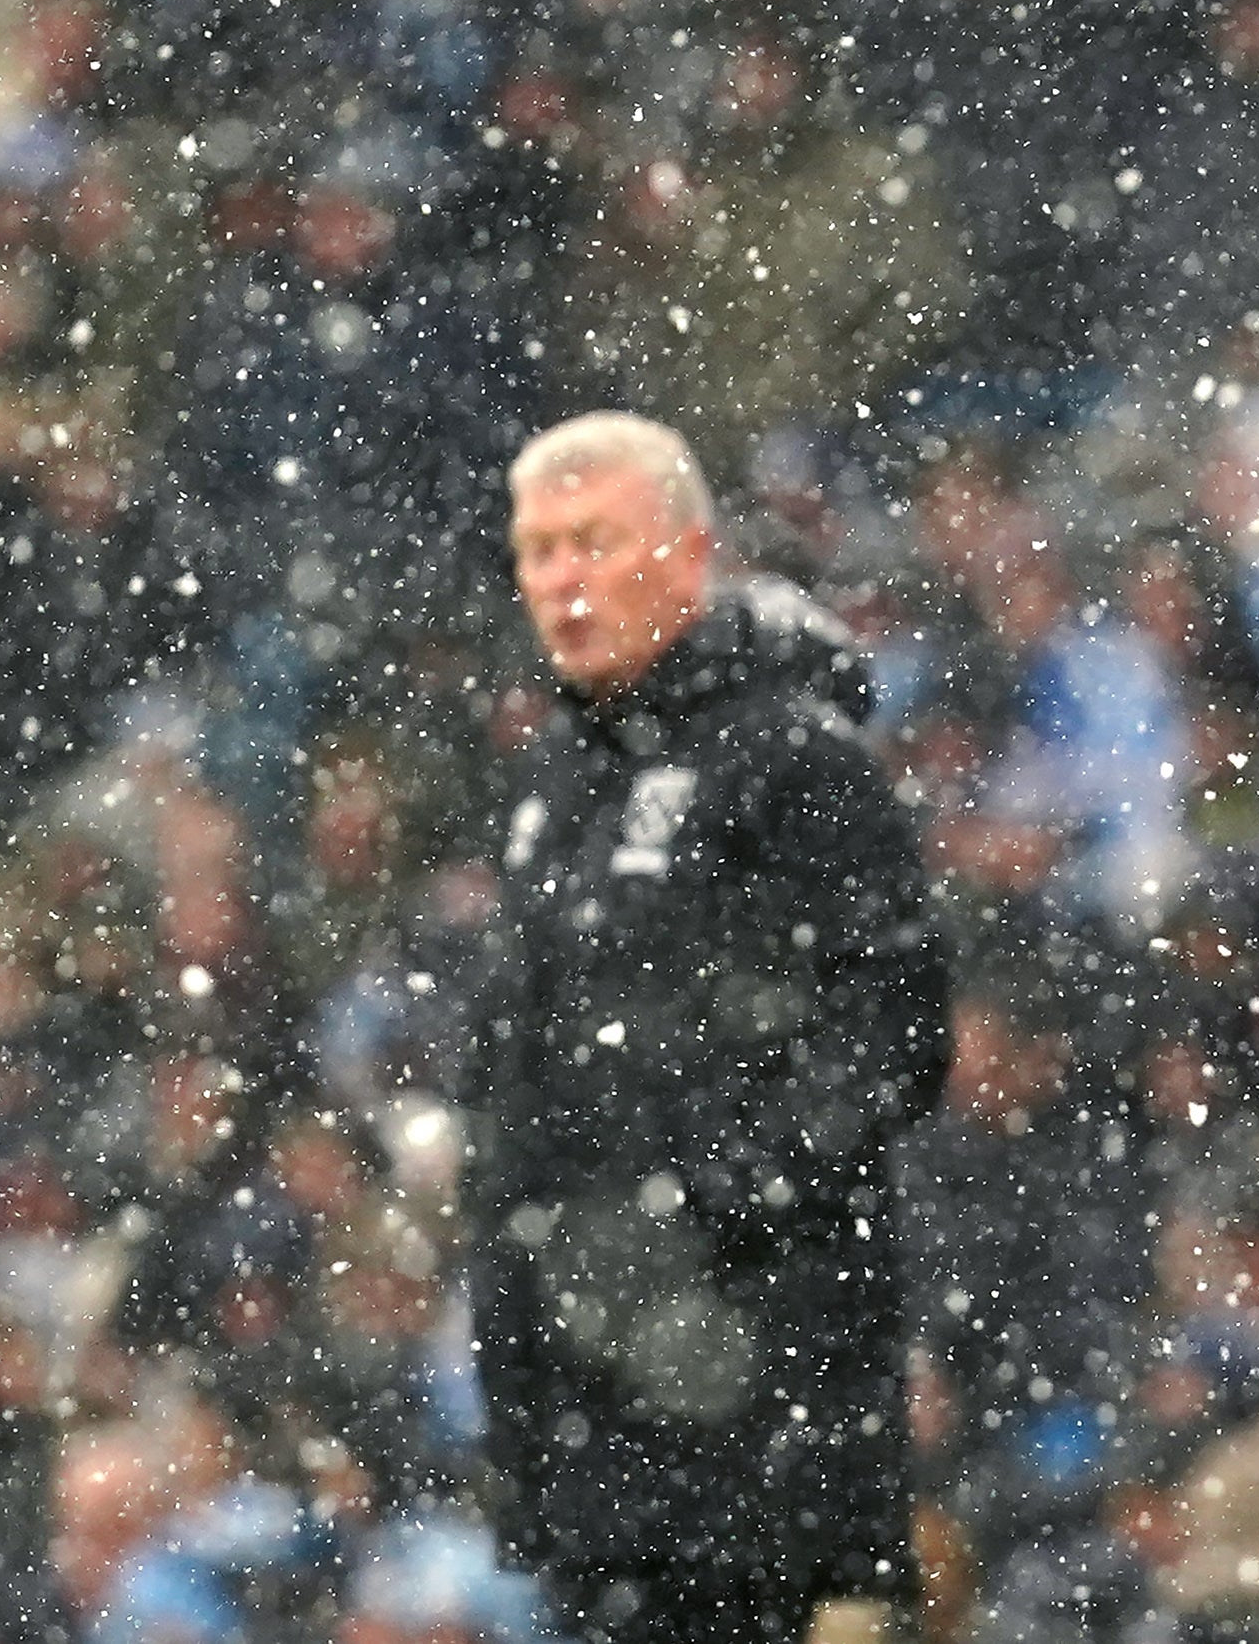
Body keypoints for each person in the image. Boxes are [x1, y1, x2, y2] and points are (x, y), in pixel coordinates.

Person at [473, 412, 952, 1644]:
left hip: (759, 1415)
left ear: (688, 554)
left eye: (593, 541)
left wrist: (706, 1202)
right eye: (538, 550)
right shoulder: (554, 787)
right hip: (597, 1420)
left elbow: (897, 1029)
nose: (561, 579)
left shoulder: (797, 758)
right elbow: (534, 1086)